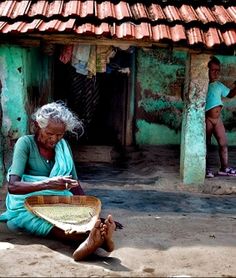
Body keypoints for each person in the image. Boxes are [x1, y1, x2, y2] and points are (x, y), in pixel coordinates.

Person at [0, 101, 116, 261]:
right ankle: (98, 241)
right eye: (49, 133)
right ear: (37, 126)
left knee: (79, 220)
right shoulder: (25, 144)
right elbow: (13, 186)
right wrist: (49, 184)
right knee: (54, 226)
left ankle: (96, 238)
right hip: (27, 206)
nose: (54, 139)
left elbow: (74, 184)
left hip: (57, 202)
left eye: (60, 134)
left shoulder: (63, 146)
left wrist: (90, 213)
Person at [205, 56, 236, 178]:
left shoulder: (219, 85)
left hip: (217, 120)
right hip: (207, 119)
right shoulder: (204, 85)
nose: (216, 73)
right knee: (205, 145)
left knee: (223, 144)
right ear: (206, 70)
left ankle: (224, 168)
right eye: (213, 70)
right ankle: (205, 169)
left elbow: (230, 94)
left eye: (218, 70)